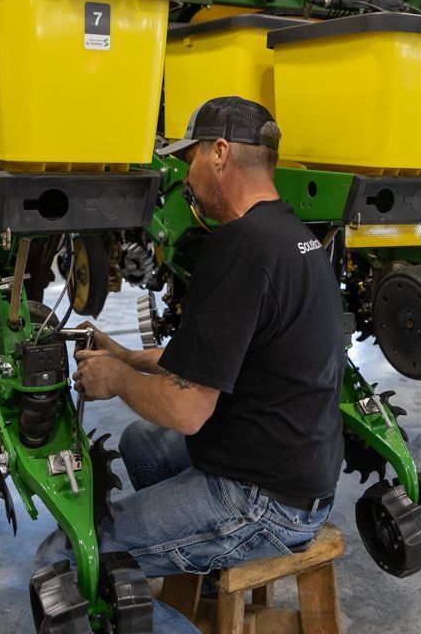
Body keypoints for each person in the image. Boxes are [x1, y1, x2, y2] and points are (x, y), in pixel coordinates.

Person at [33, 96, 346, 634]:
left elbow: (186, 409)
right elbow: (219, 355)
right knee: (139, 443)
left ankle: (172, 560)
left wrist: (117, 378)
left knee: (63, 559)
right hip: (300, 467)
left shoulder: (236, 251)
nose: (186, 174)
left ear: (219, 153)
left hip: (264, 501)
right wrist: (129, 356)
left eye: (191, 158)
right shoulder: (294, 236)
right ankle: (178, 553)